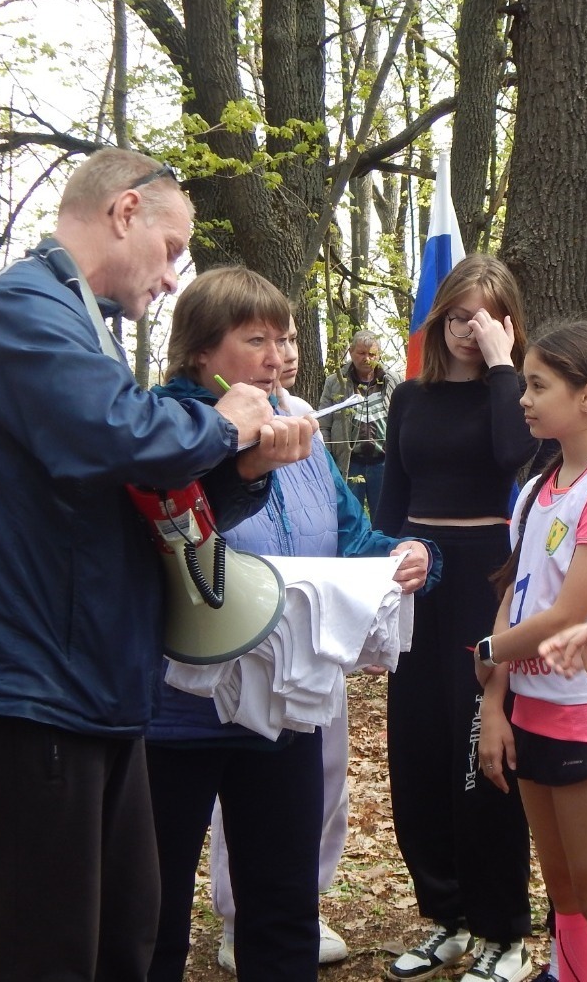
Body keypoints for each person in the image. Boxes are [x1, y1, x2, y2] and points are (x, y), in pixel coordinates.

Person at [0, 148, 316, 980]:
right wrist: (228, 422)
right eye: (172, 250)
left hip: (94, 681)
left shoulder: (74, 322)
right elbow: (117, 434)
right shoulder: (19, 306)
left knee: (123, 931)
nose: (173, 279)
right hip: (34, 681)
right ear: (124, 213)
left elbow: (133, 497)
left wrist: (242, 470)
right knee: (44, 948)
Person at [144, 266, 434, 982]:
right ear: (201, 353)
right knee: (149, 908)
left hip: (287, 701)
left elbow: (351, 537)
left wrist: (414, 553)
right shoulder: (161, 426)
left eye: (287, 337)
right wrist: (240, 468)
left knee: (282, 902)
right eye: (257, 340)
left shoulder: (299, 421)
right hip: (175, 709)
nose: (279, 355)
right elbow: (164, 529)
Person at [476, 322, 587, 982]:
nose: (523, 399)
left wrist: (488, 650)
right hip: (534, 709)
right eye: (524, 383)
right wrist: (495, 693)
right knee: (564, 892)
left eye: (537, 385)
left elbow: (566, 615)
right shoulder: (539, 486)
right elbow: (515, 587)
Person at [375, 254, 537, 982]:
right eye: (459, 316)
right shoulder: (409, 398)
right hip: (417, 583)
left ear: (505, 321)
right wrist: (382, 574)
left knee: (482, 755)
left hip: (486, 582)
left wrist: (505, 366)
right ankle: (445, 915)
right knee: (416, 754)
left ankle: (503, 927)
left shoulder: (520, 397)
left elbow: (515, 453)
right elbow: (388, 505)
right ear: (439, 319)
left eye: (486, 317)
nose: (470, 331)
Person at [321, 329, 396, 512]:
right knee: (349, 515)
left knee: (384, 517)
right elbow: (323, 425)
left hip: (384, 463)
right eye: (361, 353)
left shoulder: (393, 381)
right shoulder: (336, 382)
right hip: (349, 462)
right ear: (351, 352)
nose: (367, 359)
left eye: (372, 354)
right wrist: (328, 460)